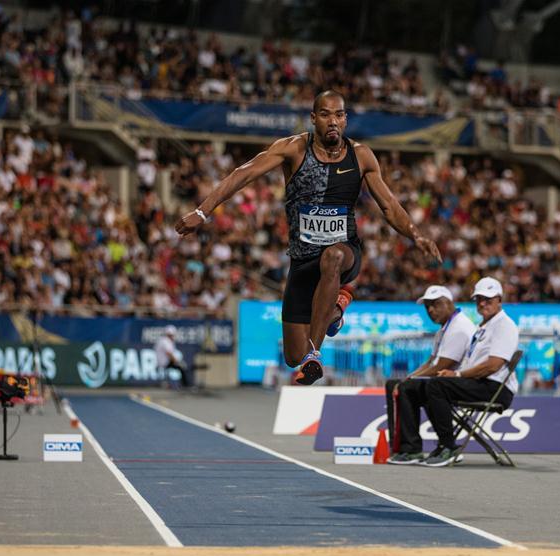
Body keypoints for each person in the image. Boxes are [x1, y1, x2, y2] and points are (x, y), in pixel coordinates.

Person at [176, 90, 441, 385]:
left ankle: (314, 355)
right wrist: (202, 212)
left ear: (345, 119)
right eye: (325, 114)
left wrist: (416, 235)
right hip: (303, 261)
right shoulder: (293, 149)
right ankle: (336, 308)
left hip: (344, 252)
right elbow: (243, 174)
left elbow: (389, 205)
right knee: (293, 355)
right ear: (314, 118)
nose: (333, 121)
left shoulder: (361, 155)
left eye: (338, 115)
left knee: (333, 257)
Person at [420, 276, 520, 467]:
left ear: (499, 299)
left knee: (436, 386)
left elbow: (493, 365)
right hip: (482, 383)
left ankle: (448, 446)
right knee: (427, 386)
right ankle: (439, 445)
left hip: (496, 388)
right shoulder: (483, 327)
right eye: (479, 299)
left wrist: (457, 375)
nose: (482, 303)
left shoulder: (504, 325)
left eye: (488, 299)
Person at [385, 285, 476, 465]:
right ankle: (405, 446)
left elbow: (442, 366)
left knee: (406, 388)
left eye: (435, 305)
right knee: (396, 384)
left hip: (458, 383)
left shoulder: (459, 327)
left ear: (449, 303)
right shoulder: (445, 329)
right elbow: (430, 362)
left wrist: (408, 381)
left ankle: (411, 448)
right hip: (444, 381)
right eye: (427, 307)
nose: (431, 310)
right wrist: (409, 377)